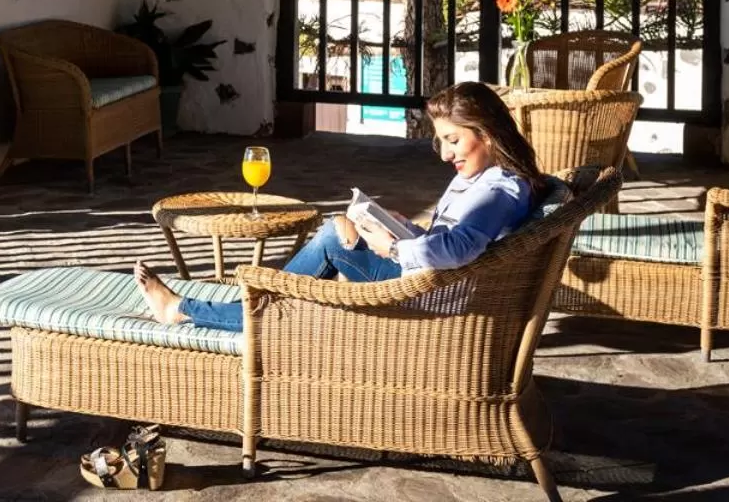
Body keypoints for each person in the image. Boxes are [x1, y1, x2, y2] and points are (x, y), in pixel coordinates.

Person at [135, 81, 549, 333]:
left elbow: (461, 249)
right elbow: (461, 239)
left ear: (489, 134)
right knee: (339, 229)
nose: (444, 154)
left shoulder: (498, 190)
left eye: (454, 140)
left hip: (428, 294)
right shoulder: (490, 179)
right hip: (431, 279)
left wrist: (391, 247)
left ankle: (187, 309)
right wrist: (404, 229)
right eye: (441, 141)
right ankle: (251, 300)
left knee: (332, 239)